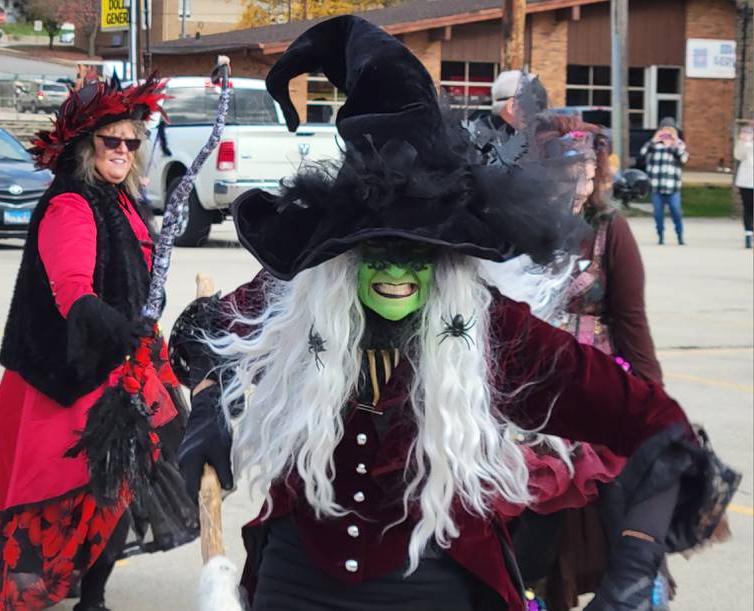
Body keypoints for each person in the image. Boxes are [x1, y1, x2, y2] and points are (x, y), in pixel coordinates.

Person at [172, 17, 724, 611]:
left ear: (450, 259)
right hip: (299, 576)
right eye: (378, 249)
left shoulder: (494, 332)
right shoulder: (300, 294)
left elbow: (658, 425)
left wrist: (633, 569)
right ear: (345, 252)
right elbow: (199, 337)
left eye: (419, 254)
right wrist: (211, 403)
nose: (396, 272)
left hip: (435, 578)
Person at [0, 77, 198, 611]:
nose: (121, 150)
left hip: (123, 363)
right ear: (85, 146)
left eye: (130, 141)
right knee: (65, 491)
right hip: (72, 372)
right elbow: (73, 294)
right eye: (109, 140)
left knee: (118, 490)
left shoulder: (122, 200)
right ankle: (64, 593)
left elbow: (137, 280)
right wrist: (121, 329)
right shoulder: (72, 204)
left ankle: (94, 596)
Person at [492, 114, 679, 611]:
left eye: (590, 175)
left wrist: (653, 400)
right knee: (532, 505)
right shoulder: (513, 229)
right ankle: (522, 595)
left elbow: (632, 320)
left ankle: (635, 590)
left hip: (597, 381)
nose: (581, 185)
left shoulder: (608, 230)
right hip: (527, 390)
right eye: (569, 174)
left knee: (617, 495)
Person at [640, 117, 689, 245]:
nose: (667, 133)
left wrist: (673, 144)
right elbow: (642, 153)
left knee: (676, 211)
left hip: (673, 186)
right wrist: (654, 140)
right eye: (664, 130)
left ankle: (679, 234)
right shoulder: (654, 145)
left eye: (670, 130)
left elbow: (683, 159)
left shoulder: (679, 145)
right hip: (657, 186)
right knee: (658, 214)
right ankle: (660, 234)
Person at [733, 121, 753, 249]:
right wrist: (743, 142)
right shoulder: (746, 141)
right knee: (748, 208)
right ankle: (748, 234)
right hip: (746, 181)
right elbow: (738, 156)